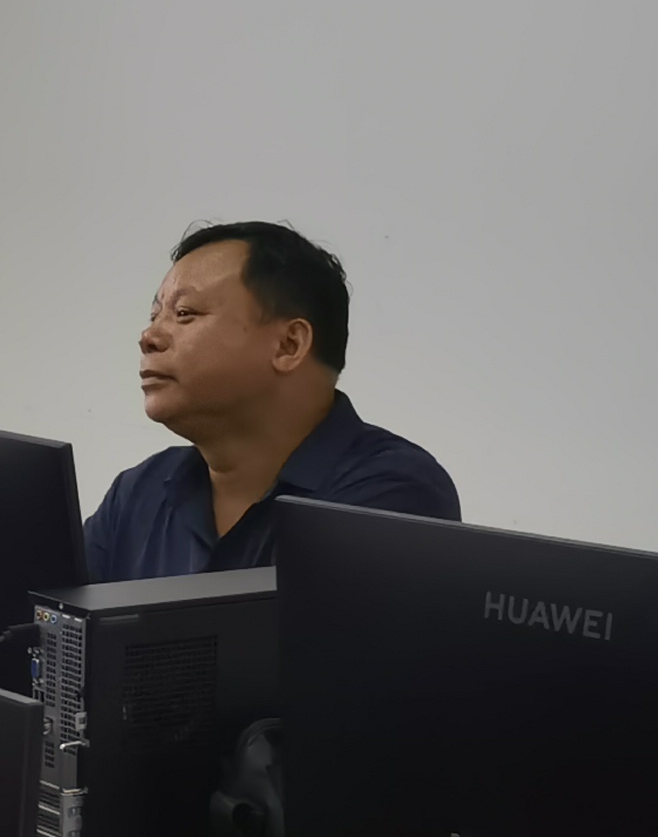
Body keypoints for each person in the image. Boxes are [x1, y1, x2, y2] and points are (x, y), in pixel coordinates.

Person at [82, 221, 459, 580]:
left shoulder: (391, 494)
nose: (148, 336)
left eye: (184, 313)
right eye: (154, 315)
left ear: (288, 345)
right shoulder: (138, 493)